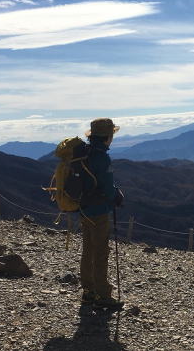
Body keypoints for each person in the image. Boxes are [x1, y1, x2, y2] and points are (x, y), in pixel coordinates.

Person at [79, 117, 124, 310]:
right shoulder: (102, 157)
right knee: (101, 251)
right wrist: (116, 196)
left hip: (83, 208)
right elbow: (106, 187)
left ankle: (88, 291)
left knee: (88, 248)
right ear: (108, 136)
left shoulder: (84, 153)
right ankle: (103, 294)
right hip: (98, 210)